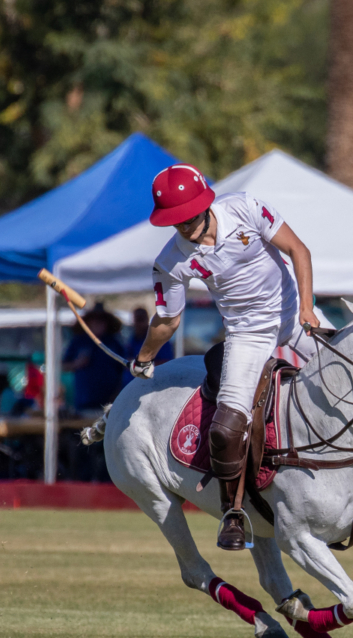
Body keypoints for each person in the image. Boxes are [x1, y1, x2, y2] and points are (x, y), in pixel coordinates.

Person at [130, 163, 327, 550]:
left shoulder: (245, 209)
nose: (183, 227)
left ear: (205, 204)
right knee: (224, 428)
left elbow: (297, 250)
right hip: (246, 335)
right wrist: (144, 357)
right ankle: (233, 512)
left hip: (291, 316)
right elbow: (168, 320)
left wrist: (307, 308)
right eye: (175, 221)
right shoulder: (171, 261)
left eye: (187, 217)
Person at [63, 303, 125, 414]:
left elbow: (124, 369)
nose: (98, 323)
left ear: (107, 323)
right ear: (88, 322)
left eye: (101, 320)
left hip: (110, 403)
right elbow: (63, 366)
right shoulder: (79, 341)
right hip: (84, 402)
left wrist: (117, 393)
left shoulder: (114, 343)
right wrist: (77, 363)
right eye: (94, 320)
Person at [122, 307, 173, 386]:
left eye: (141, 319)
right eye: (137, 320)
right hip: (131, 386)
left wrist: (142, 364)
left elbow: (167, 363)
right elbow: (126, 361)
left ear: (147, 319)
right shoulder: (131, 340)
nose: (139, 324)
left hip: (153, 385)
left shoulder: (158, 339)